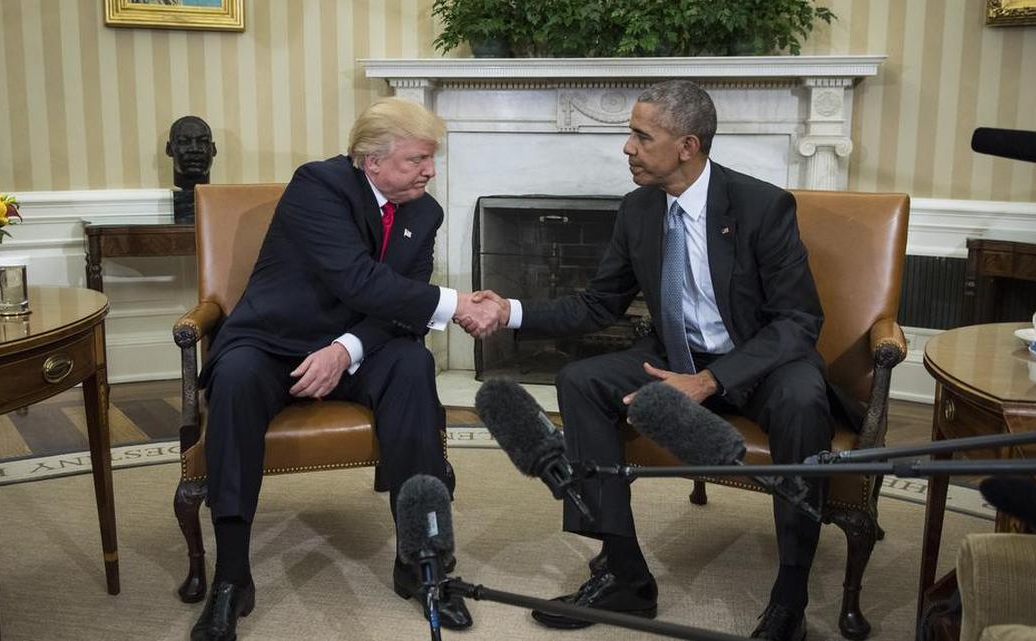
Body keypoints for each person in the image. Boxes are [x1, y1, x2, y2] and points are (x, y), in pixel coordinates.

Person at [464, 80, 851, 641]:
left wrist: (711, 379)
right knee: (580, 380)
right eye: (631, 134)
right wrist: (510, 311)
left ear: (687, 146)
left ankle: (790, 594)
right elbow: (599, 303)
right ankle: (625, 572)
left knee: (802, 398)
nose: (627, 147)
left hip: (759, 362)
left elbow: (797, 322)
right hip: (674, 355)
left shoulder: (762, 206)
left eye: (641, 136)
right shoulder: (639, 209)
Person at [190, 97, 499, 641]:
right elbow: (358, 280)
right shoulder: (319, 185)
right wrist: (457, 304)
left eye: (432, 159)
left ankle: (420, 564)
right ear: (369, 160)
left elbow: (397, 310)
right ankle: (232, 577)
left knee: (411, 363)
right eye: (416, 160)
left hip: (358, 346)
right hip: (274, 340)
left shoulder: (424, 210)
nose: (429, 171)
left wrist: (346, 349)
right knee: (235, 380)